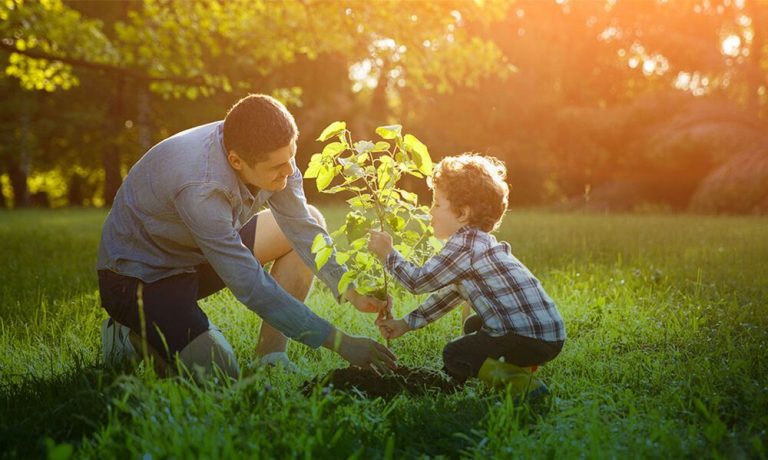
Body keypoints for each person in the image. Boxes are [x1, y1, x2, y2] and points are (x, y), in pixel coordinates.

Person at [97, 94, 396, 379]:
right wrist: (340, 343)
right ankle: (127, 335)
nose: (291, 170)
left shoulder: (271, 154)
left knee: (312, 219)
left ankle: (271, 358)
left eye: (291, 155)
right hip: (140, 278)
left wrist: (350, 289)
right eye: (278, 166)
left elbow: (303, 229)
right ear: (237, 161)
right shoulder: (201, 187)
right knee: (219, 374)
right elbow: (251, 285)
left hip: (197, 253)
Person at [369, 153, 565, 388]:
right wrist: (406, 323)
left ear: (463, 213)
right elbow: (450, 295)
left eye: (437, 204)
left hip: (529, 337)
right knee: (473, 327)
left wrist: (388, 254)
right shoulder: (477, 244)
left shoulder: (465, 245)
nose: (430, 211)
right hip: (547, 335)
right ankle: (453, 384)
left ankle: (523, 386)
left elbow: (417, 282)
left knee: (455, 353)